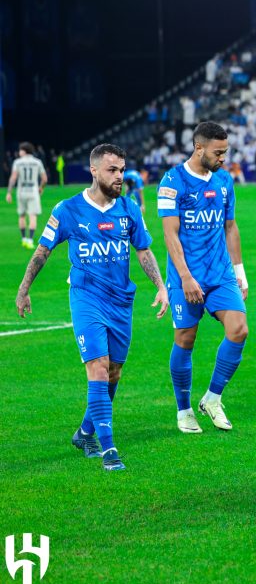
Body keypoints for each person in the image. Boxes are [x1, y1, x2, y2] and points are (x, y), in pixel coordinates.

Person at [14, 143, 169, 471]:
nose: (119, 176)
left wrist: (160, 286)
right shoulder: (67, 210)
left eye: (123, 170)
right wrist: (24, 289)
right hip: (86, 297)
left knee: (114, 371)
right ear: (94, 171)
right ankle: (108, 449)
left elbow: (143, 251)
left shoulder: (128, 209)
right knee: (98, 366)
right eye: (113, 170)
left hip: (121, 300)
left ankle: (85, 432)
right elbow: (43, 251)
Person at [157, 121, 249, 434]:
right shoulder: (173, 182)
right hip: (187, 276)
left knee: (239, 330)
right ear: (199, 148)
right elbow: (170, 234)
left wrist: (239, 272)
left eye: (226, 151)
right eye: (218, 152)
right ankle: (184, 411)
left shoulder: (224, 180)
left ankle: (212, 398)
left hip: (220, 274)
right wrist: (184, 277)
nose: (224, 157)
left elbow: (230, 227)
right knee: (186, 339)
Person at [6, 142, 47, 249]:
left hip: (21, 191)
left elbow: (13, 178)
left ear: (24, 151)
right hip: (33, 191)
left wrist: (9, 192)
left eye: (20, 150)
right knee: (32, 216)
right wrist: (41, 188)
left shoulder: (17, 162)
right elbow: (44, 179)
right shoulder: (37, 162)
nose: (19, 152)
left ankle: (23, 239)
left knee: (22, 215)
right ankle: (30, 240)